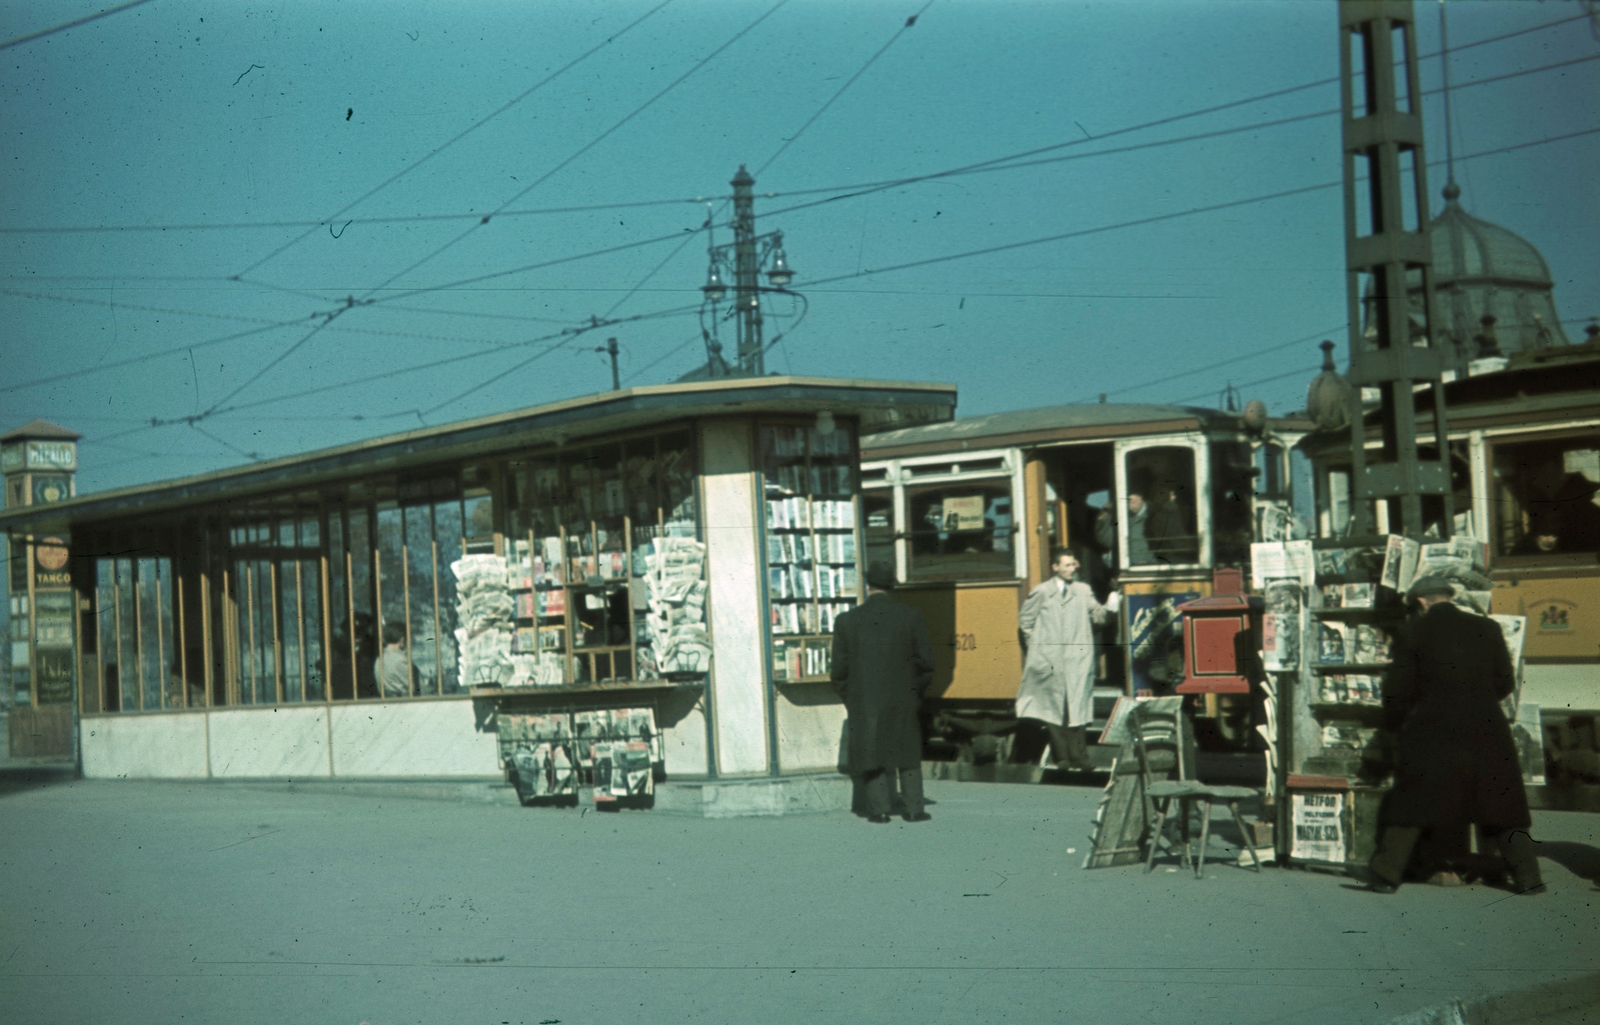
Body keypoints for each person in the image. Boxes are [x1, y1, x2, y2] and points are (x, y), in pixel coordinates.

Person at [1365, 576, 1545, 895]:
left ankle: (1385, 875)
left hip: (1432, 730)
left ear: (1421, 602)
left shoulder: (1412, 631)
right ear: (1448, 597)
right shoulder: (1488, 628)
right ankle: (1529, 878)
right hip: (1487, 728)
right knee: (1501, 806)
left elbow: (1398, 692)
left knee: (1413, 803)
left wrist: (1395, 724)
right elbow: (1505, 681)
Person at [831, 561, 935, 823]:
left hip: (864, 699)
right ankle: (913, 808)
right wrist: (915, 692)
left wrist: (851, 697)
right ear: (891, 586)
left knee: (871, 750)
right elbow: (926, 664)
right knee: (907, 752)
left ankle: (879, 810)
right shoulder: (911, 617)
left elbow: (839, 671)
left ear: (867, 585)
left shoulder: (846, 621)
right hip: (904, 697)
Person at [1015, 547, 1116, 771]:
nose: (1073, 568)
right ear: (1055, 567)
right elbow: (1026, 622)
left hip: (1076, 660)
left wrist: (1110, 607)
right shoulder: (1041, 592)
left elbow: (1098, 616)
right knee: (1054, 709)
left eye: (1073, 564)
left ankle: (1080, 757)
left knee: (1077, 709)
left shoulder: (1082, 590)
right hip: (1050, 660)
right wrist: (1039, 649)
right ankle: (1061, 758)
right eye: (1068, 565)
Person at [374, 622, 414, 699]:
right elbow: (411, 687)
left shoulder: (379, 659)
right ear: (402, 640)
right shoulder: (401, 660)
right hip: (403, 701)